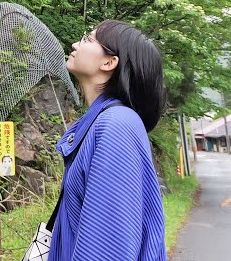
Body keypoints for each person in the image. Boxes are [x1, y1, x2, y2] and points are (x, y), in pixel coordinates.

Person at [47, 20, 166, 261]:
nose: (74, 44)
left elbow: (108, 249)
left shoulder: (116, 126)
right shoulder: (99, 123)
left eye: (87, 39)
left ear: (109, 62)